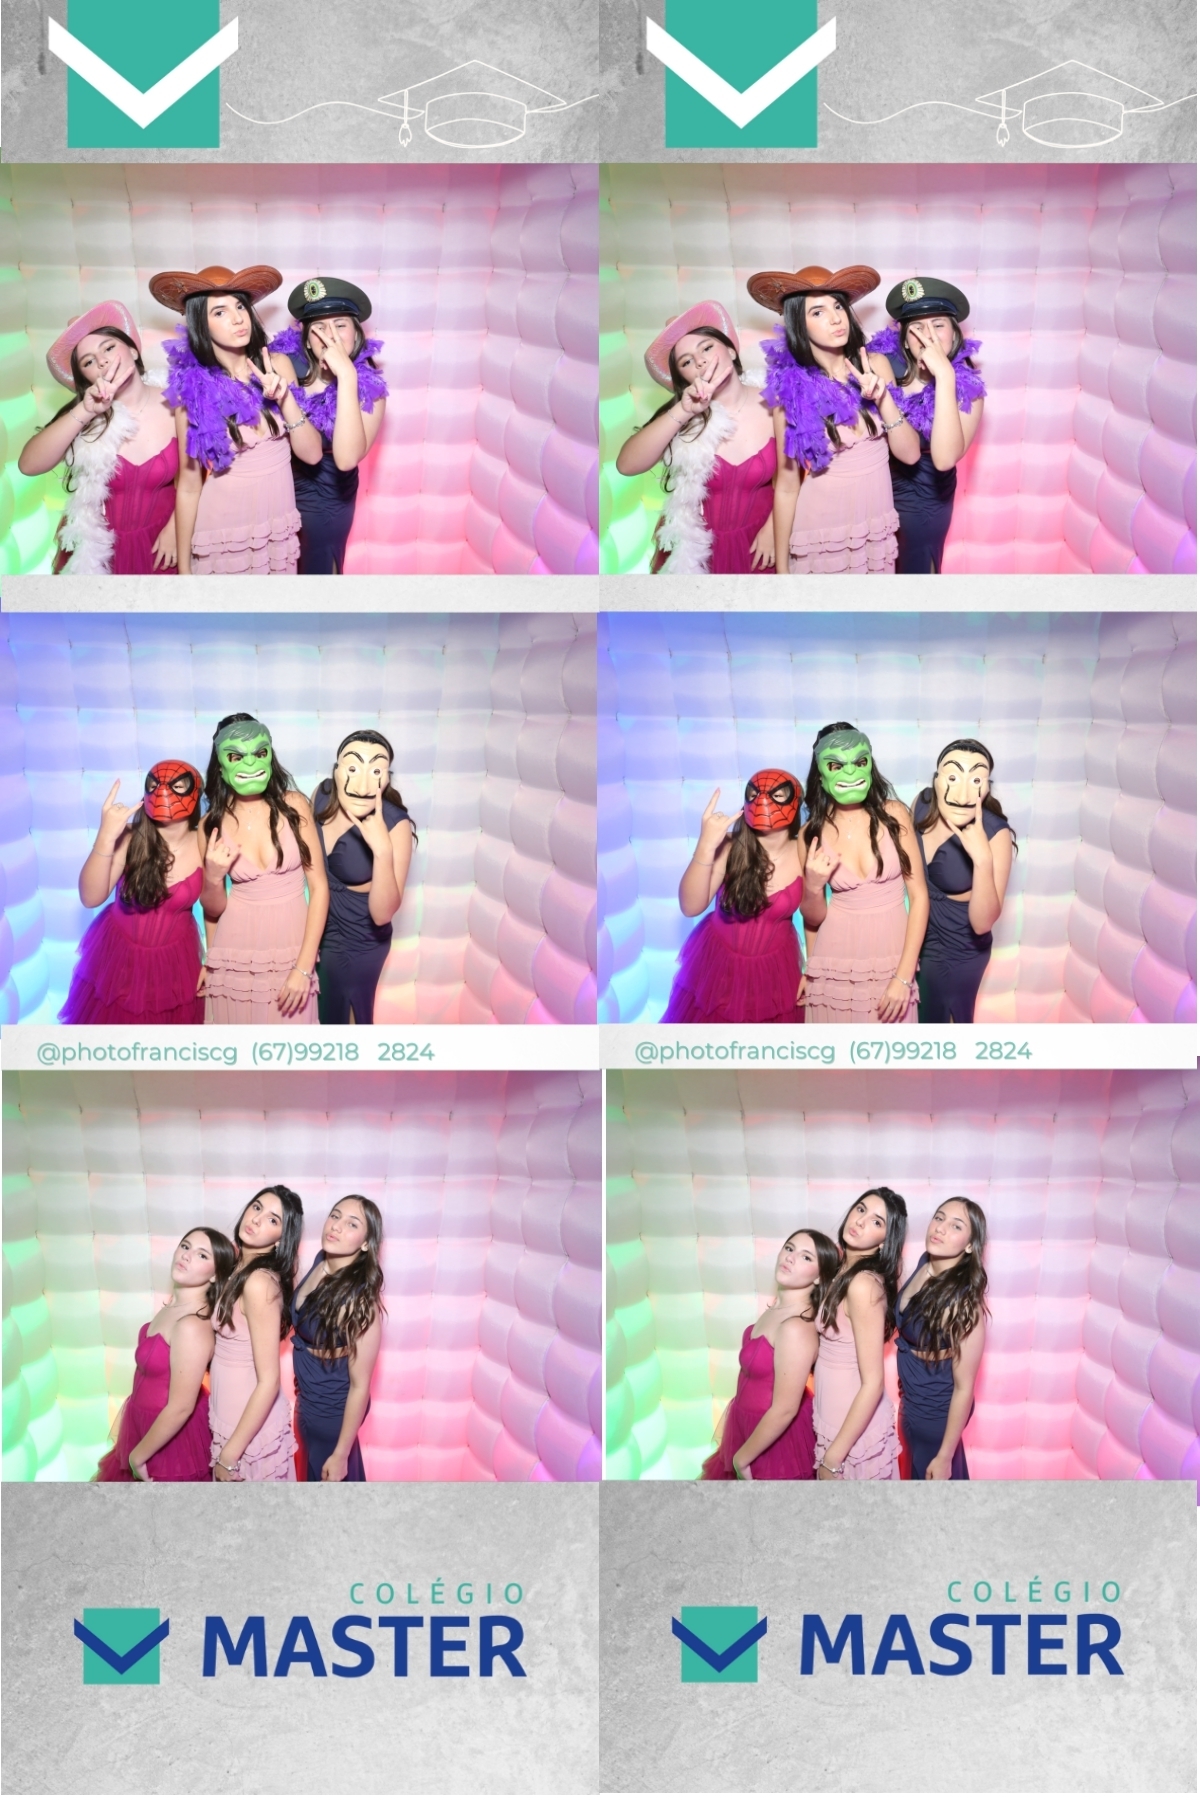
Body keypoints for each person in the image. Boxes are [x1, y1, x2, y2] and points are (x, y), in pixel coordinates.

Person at [745, 264, 920, 574]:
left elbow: (910, 455)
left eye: (838, 306)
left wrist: (883, 398)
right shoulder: (790, 391)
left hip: (875, 527)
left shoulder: (876, 365)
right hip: (822, 535)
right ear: (799, 324)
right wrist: (782, 573)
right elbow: (786, 486)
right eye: (818, 312)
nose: (836, 318)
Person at [150, 263, 323, 574]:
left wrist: (285, 398)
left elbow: (311, 455)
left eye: (240, 306)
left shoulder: (278, 365)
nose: (238, 317)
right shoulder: (192, 391)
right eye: (220, 312)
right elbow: (189, 486)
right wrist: (185, 572)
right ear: (200, 324)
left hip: (277, 526)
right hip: (224, 534)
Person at [615, 301, 777, 574]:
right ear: (684, 378)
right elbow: (626, 465)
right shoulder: (683, 419)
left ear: (731, 350)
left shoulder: (776, 403)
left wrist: (774, 528)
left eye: (707, 347)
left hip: (763, 544)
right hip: (698, 553)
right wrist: (684, 410)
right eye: (687, 361)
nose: (700, 360)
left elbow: (800, 476)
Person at [661, 771, 835, 1023]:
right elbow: (690, 907)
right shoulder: (730, 846)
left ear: (795, 802)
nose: (763, 801)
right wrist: (706, 845)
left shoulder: (804, 851)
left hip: (775, 971)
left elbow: (814, 919)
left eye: (777, 795)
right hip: (718, 967)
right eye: (754, 794)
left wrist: (812, 968)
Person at [18, 301, 178, 574]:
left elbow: (202, 476)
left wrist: (176, 527)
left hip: (165, 544)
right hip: (100, 554)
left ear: (133, 350)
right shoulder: (85, 419)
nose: (102, 360)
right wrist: (86, 410)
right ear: (86, 378)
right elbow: (28, 465)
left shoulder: (178, 403)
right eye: (89, 361)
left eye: (109, 347)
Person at [199, 715, 328, 1025]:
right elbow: (213, 910)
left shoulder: (294, 805)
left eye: (258, 752)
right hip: (235, 952)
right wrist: (213, 878)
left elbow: (320, 888)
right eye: (235, 756)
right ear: (221, 765)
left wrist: (303, 968)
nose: (249, 762)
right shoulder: (210, 824)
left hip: (291, 946)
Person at [60, 762, 206, 1025]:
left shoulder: (204, 842)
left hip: (174, 963)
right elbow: (90, 898)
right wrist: (106, 835)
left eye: (177, 786)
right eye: (155, 785)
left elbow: (216, 908)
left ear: (195, 794)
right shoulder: (129, 837)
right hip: (119, 958)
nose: (164, 792)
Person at [801, 724, 929, 1024]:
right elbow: (812, 919)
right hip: (834, 959)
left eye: (859, 761)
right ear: (821, 774)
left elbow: (920, 897)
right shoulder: (811, 833)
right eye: (836, 765)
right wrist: (813, 887)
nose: (849, 771)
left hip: (892, 954)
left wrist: (903, 977)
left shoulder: (894, 815)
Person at [96, 1227, 236, 1482]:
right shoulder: (174, 1307)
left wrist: (137, 1457)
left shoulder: (192, 1325)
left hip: (171, 1438)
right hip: (143, 1424)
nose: (186, 1255)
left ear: (216, 1275)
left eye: (202, 1255)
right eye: (185, 1246)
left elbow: (181, 1407)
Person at [867, 278, 986, 574]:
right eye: (916, 327)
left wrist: (944, 376)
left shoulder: (968, 390)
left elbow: (944, 459)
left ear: (954, 333)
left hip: (926, 499)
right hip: (875, 489)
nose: (927, 335)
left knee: (917, 574)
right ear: (904, 337)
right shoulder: (883, 365)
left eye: (938, 324)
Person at [269, 278, 388, 573]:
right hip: (277, 488)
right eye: (318, 327)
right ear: (306, 337)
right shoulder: (285, 365)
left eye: (340, 324)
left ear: (356, 333)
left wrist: (346, 376)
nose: (329, 335)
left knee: (319, 572)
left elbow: (346, 459)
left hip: (328, 498)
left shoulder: (371, 390)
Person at [701, 1228, 838, 1481]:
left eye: (806, 1257)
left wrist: (742, 1459)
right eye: (789, 1248)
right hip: (747, 1426)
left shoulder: (796, 1327)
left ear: (820, 1277)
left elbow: (785, 1409)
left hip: (775, 1439)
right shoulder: (778, 1309)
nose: (790, 1257)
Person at [311, 731, 415, 1024]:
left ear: (387, 779)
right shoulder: (322, 795)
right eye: (353, 768)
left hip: (361, 941)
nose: (363, 784)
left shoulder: (395, 825)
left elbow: (383, 915)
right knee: (321, 1016)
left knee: (348, 1021)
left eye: (376, 771)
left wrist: (382, 851)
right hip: (320, 930)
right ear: (336, 771)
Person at [912, 739, 1015, 1023]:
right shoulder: (921, 805)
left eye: (976, 780)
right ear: (937, 780)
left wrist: (982, 860)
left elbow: (982, 924)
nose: (962, 793)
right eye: (953, 777)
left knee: (947, 1027)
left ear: (987, 787)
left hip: (960, 949)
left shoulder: (996, 834)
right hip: (919, 937)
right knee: (916, 1020)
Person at [210, 1186, 303, 1482]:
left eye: (273, 1220)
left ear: (280, 1240)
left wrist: (229, 1457)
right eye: (257, 1207)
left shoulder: (259, 1283)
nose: (257, 1218)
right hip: (230, 1418)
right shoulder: (238, 1268)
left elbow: (269, 1380)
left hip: (248, 1434)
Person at [813, 1188, 907, 1481]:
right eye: (861, 1209)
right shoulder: (842, 1269)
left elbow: (874, 1382)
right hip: (834, 1421)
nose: (861, 1221)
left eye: (877, 1222)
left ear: (884, 1242)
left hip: (852, 1437)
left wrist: (833, 1459)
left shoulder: (862, 1285)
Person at [291, 1195, 385, 1481]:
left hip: (332, 1415)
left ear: (366, 1243)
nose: (336, 1226)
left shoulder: (360, 1302)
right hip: (306, 1402)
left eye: (352, 1224)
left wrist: (342, 1453)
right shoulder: (321, 1260)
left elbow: (360, 1385)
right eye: (335, 1215)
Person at [896, 1198, 989, 1479]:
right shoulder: (925, 1262)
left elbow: (964, 1387)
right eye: (939, 1217)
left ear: (970, 1245)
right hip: (910, 1404)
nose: (940, 1228)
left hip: (936, 1416)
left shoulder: (964, 1304)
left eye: (956, 1226)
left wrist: (945, 1456)